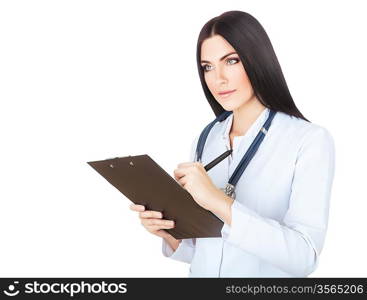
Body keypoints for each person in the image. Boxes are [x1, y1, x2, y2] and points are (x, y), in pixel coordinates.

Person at [130, 10, 335, 277]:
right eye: (208, 67)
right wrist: (168, 231)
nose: (218, 79)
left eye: (231, 61)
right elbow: (205, 249)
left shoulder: (309, 141)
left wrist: (219, 202)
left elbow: (304, 257)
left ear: (257, 60)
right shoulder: (205, 139)